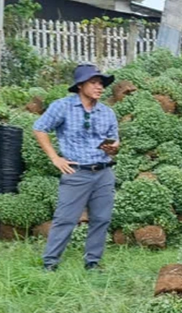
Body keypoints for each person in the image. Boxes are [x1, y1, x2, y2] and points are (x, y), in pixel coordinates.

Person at [33, 63, 120, 272]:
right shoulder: (62, 106)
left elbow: (116, 142)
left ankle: (92, 262)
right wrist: (55, 158)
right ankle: (50, 263)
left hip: (103, 172)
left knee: (101, 218)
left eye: (101, 83)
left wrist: (113, 148)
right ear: (80, 85)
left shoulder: (107, 112)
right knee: (65, 219)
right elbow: (39, 128)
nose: (99, 87)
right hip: (76, 173)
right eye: (94, 82)